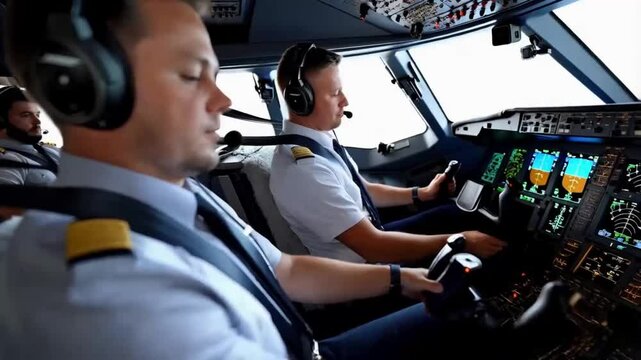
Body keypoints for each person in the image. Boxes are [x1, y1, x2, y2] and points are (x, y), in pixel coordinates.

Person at [2, 1, 452, 359]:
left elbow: (287, 269)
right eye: (190, 74)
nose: (222, 99)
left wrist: (400, 279)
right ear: (89, 90)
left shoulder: (182, 193)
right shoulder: (117, 295)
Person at [270, 43, 507, 265]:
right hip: (367, 272)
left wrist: (422, 194)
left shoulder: (317, 140)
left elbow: (363, 190)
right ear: (300, 101)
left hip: (375, 237)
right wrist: (462, 241)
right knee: (470, 238)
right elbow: (374, 248)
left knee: (454, 214)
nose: (345, 100)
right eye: (334, 93)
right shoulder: (303, 171)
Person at [0, 86, 60, 185]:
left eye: (37, 114)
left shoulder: (49, 149)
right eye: (26, 115)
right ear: (2, 121)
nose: (38, 121)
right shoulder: (6, 162)